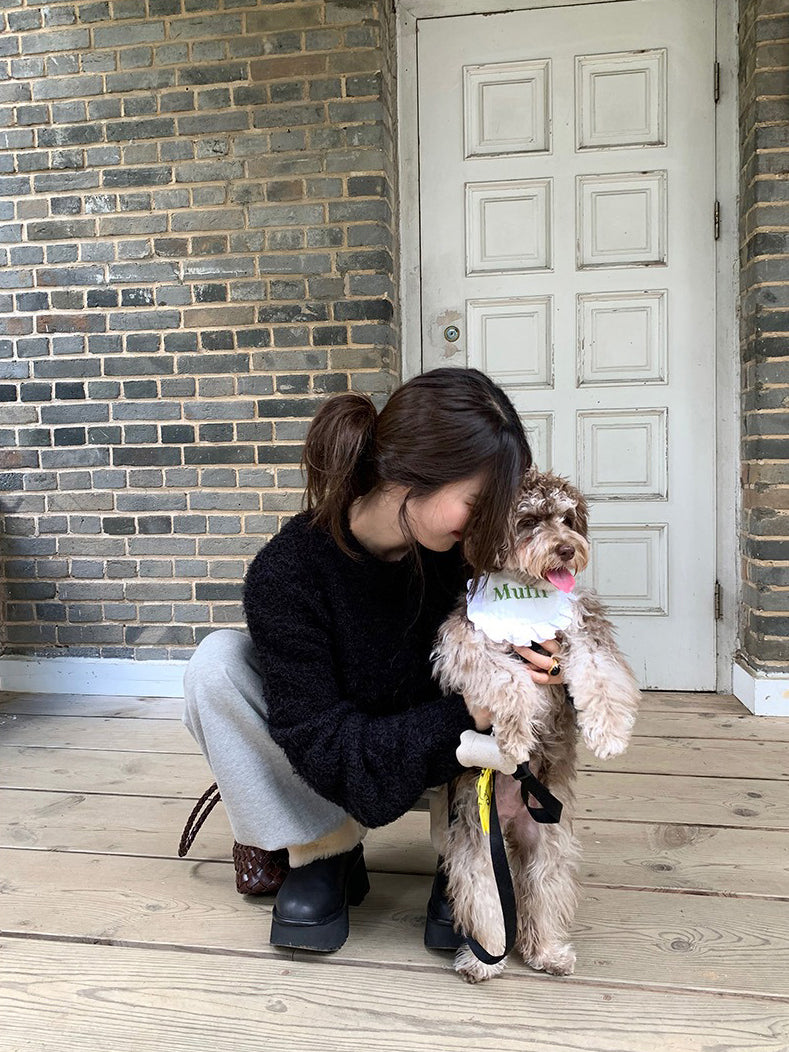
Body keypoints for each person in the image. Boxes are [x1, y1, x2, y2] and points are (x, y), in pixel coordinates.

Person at [182, 367, 564, 953]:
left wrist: (551, 669)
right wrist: (468, 712)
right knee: (216, 665)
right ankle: (322, 849)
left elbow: (548, 670)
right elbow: (320, 739)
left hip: (453, 767)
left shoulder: (472, 557)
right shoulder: (289, 573)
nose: (488, 524)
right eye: (476, 503)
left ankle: (465, 850)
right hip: (349, 755)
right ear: (413, 475)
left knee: (511, 673)